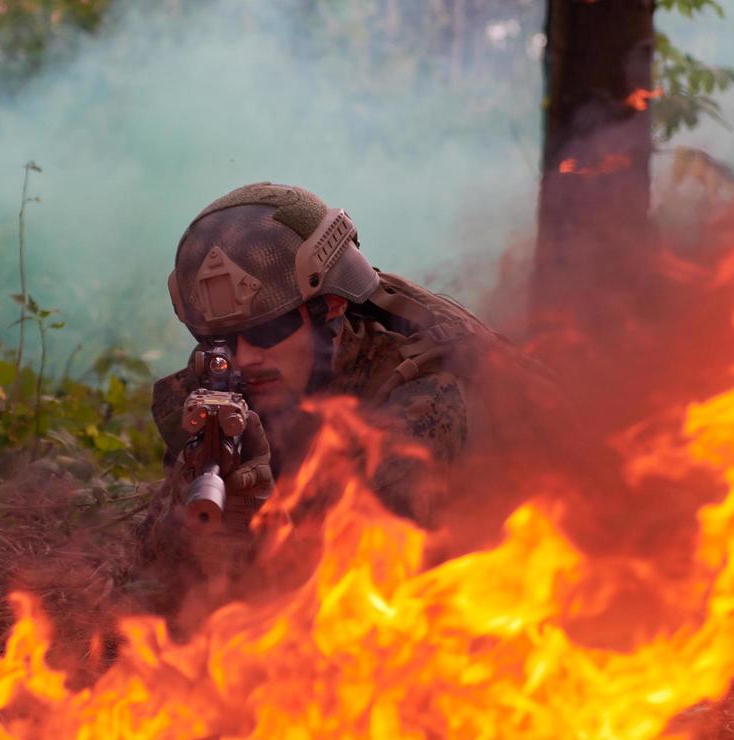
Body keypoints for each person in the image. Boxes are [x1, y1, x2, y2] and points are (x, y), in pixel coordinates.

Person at [127, 182, 513, 619]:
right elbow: (150, 584)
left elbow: (361, 592)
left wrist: (261, 524)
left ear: (329, 309)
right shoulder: (228, 391)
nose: (246, 357)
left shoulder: (421, 399)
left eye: (268, 330)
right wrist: (196, 504)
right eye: (221, 339)